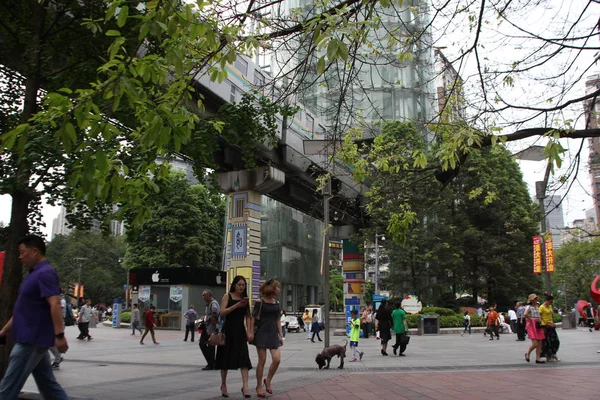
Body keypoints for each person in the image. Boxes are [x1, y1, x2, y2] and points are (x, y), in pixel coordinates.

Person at [0, 235, 69, 399]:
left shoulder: (45, 273)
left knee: (7, 389)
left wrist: (60, 335)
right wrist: (3, 331)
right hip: (31, 339)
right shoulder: (33, 274)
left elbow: (55, 304)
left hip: (30, 341)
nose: (20, 257)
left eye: (22, 252)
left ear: (35, 251)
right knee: (49, 388)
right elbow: (21, 311)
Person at [215, 275, 252, 398]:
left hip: (240, 331)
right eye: (239, 285)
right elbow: (222, 312)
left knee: (244, 358)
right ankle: (223, 384)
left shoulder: (245, 299)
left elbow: (248, 315)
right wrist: (236, 306)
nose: (241, 287)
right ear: (234, 285)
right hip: (228, 331)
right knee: (225, 359)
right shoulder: (227, 296)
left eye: (243, 285)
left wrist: (249, 331)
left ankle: (245, 386)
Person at [248, 279, 283, 398]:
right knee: (262, 360)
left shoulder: (276, 303)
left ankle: (267, 380)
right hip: (262, 332)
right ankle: (259, 386)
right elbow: (253, 317)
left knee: (277, 359)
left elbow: (277, 319)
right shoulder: (260, 302)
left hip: (273, 333)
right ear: (272, 289)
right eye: (277, 287)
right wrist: (251, 332)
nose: (279, 289)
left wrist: (280, 335)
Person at [200, 289, 220, 370]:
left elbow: (215, 312)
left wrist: (213, 320)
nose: (203, 297)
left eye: (204, 295)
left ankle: (211, 363)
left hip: (211, 328)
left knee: (208, 345)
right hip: (208, 327)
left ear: (209, 295)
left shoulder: (213, 303)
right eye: (203, 295)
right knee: (205, 344)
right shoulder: (209, 304)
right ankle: (212, 362)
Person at [523, 293, 546, 364]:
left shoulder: (537, 306)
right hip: (532, 324)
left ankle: (538, 358)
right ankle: (528, 353)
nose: (535, 300)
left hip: (537, 323)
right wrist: (530, 319)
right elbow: (525, 314)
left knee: (539, 342)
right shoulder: (529, 307)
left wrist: (539, 320)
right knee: (535, 343)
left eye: (536, 298)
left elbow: (539, 315)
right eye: (534, 299)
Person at [539, 295, 560, 362]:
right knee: (547, 342)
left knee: (555, 340)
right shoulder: (541, 307)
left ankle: (553, 353)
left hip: (551, 325)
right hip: (545, 326)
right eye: (550, 301)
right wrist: (544, 324)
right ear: (547, 300)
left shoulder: (550, 306)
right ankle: (549, 355)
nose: (551, 303)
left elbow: (551, 315)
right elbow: (540, 317)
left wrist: (553, 323)